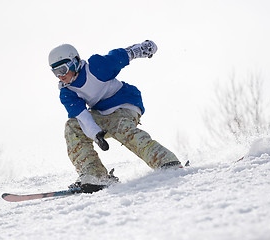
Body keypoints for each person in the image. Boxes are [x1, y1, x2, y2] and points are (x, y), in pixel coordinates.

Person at [48, 40, 183, 193]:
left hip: (124, 103)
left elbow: (121, 56)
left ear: (74, 62)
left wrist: (143, 48)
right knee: (73, 126)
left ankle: (165, 161)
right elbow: (82, 116)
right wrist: (96, 134)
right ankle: (95, 176)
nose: (60, 76)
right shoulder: (67, 93)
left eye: (63, 69)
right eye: (55, 72)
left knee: (119, 127)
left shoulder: (96, 68)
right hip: (102, 114)